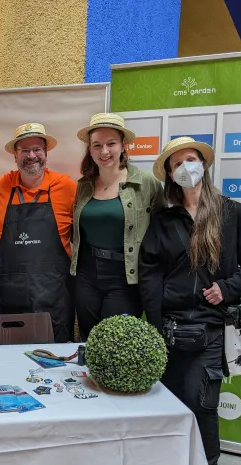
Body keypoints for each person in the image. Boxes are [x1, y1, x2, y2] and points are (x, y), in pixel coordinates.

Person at [139, 137, 241, 465]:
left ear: (204, 165)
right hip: (168, 329)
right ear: (169, 174)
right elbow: (149, 272)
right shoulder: (163, 220)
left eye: (191, 159)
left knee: (201, 404)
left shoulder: (230, 212)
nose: (186, 167)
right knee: (167, 403)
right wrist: (154, 323)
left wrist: (228, 288)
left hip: (211, 330)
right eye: (176, 163)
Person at [71, 113, 164, 340]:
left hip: (125, 275)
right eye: (97, 145)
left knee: (115, 340)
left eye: (111, 143)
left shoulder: (146, 183)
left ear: (123, 145)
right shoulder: (83, 186)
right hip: (86, 274)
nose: (105, 152)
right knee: (88, 339)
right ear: (90, 150)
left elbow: (162, 234)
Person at [0, 123, 77, 342]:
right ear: (15, 156)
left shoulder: (66, 187)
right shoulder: (1, 187)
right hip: (7, 295)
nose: (31, 155)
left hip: (53, 296)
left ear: (46, 153)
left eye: (37, 149)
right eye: (25, 150)